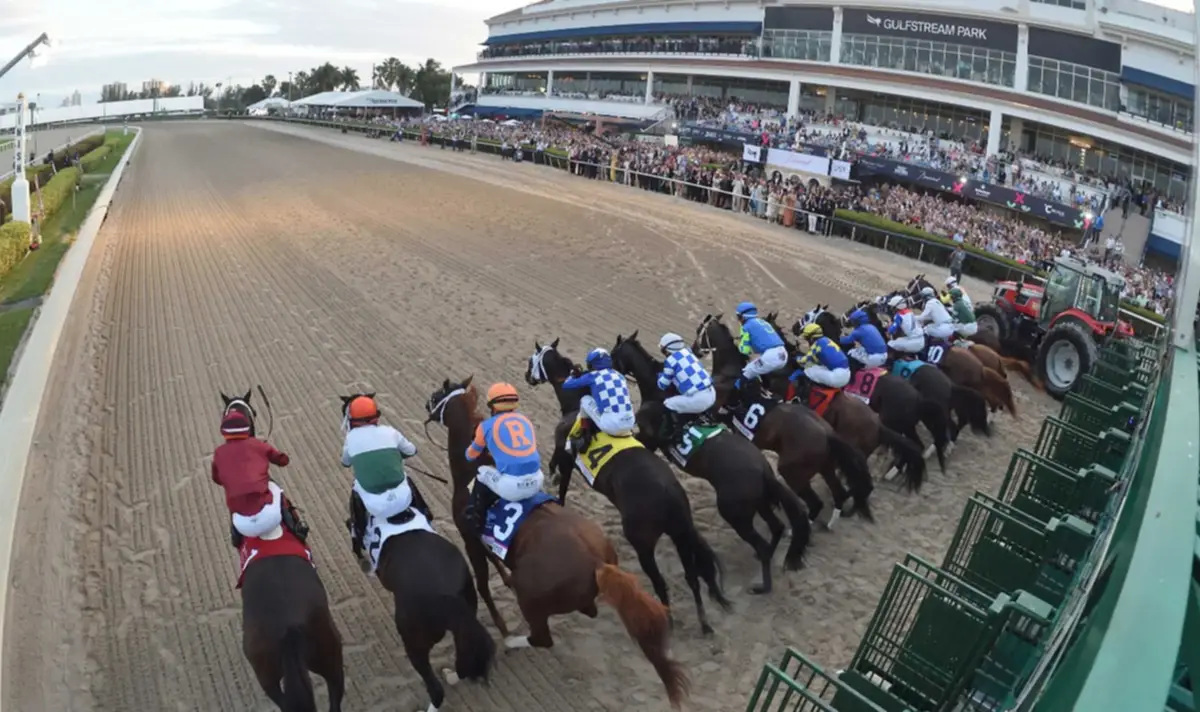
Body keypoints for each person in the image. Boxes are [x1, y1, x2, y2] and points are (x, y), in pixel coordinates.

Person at [212, 410, 306, 548]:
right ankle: (296, 528)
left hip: (242, 525)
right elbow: (282, 460)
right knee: (275, 488)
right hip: (269, 517)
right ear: (247, 429)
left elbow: (217, 479)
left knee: (233, 498)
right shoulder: (257, 444)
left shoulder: (218, 453)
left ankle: (236, 537)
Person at [464, 383, 544, 534]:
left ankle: (476, 519)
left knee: (482, 472)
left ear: (492, 406)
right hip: (537, 481)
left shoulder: (485, 426)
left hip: (511, 487)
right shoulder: (525, 420)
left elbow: (470, 456)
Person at [341, 395, 431, 525]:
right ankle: (426, 514)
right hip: (403, 497)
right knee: (406, 478)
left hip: (373, 503)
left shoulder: (350, 438)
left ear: (351, 419)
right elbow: (412, 451)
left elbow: (345, 462)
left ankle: (358, 529)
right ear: (376, 416)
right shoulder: (391, 432)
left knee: (356, 486)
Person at [562, 347, 636, 454]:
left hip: (612, 425)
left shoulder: (592, 376)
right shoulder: (619, 375)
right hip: (630, 422)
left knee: (585, 399)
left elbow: (566, 385)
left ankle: (584, 436)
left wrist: (572, 374)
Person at [656, 332, 716, 443]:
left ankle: (674, 434)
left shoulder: (670, 361)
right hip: (712, 393)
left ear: (666, 350)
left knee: (668, 403)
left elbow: (662, 385)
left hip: (700, 400)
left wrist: (659, 376)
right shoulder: (688, 352)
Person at [735, 301, 788, 395]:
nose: (738, 320)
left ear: (743, 317)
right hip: (783, 353)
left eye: (738, 317)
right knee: (759, 367)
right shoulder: (763, 322)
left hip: (771, 356)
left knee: (746, 372)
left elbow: (744, 350)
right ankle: (766, 390)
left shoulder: (746, 327)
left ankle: (740, 398)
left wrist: (739, 345)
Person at [792, 323, 851, 396]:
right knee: (816, 366)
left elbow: (804, 360)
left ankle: (804, 395)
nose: (807, 341)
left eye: (807, 338)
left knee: (808, 369)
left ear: (811, 338)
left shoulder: (816, 344)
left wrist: (795, 358)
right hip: (846, 374)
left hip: (837, 377)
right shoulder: (826, 339)